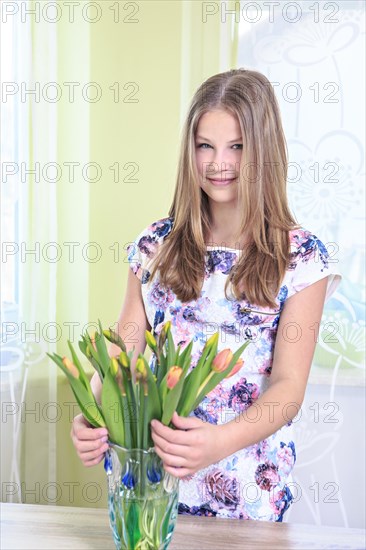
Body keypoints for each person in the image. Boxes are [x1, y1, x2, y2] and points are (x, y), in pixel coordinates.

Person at [70, 68, 342, 521]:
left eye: (237, 147)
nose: (219, 163)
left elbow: (288, 387)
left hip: (247, 489)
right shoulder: (155, 245)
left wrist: (219, 442)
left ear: (264, 151)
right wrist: (92, 415)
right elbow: (121, 355)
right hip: (153, 484)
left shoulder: (300, 257)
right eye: (205, 146)